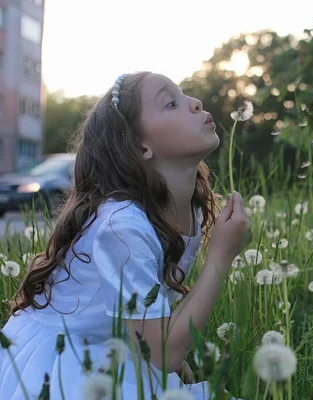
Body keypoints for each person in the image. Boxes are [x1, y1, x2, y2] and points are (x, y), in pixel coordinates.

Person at [0, 72, 252, 399]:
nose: (195, 103)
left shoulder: (193, 209)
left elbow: (153, 314)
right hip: (60, 361)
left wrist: (173, 360)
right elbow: (161, 353)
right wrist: (220, 257)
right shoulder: (121, 226)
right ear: (140, 146)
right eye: (171, 103)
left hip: (119, 346)